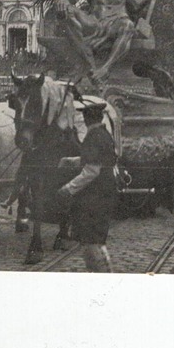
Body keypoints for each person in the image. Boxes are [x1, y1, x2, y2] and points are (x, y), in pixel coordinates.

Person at [57, 99, 119, 272]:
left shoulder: (93, 137)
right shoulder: (103, 134)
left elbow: (92, 170)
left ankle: (104, 275)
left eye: (85, 117)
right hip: (104, 193)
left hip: (95, 197)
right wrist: (72, 160)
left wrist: (68, 188)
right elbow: (97, 160)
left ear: (87, 120)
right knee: (93, 240)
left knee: (92, 240)